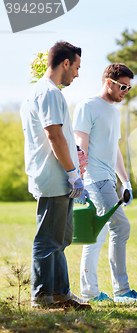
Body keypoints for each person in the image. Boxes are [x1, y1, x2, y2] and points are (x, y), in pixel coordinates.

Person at [20, 41, 90, 310]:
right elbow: (52, 134)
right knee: (48, 240)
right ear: (65, 63)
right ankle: (41, 297)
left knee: (61, 238)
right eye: (77, 67)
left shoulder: (40, 93)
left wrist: (74, 153)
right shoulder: (49, 93)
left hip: (58, 174)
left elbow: (56, 135)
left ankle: (61, 295)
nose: (77, 74)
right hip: (53, 177)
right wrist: (73, 173)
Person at [73, 63, 137, 303]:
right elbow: (80, 144)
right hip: (94, 180)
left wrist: (125, 180)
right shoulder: (87, 106)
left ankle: (90, 292)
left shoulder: (113, 111)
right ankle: (122, 290)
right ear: (109, 82)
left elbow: (113, 148)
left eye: (128, 88)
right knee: (121, 227)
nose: (126, 91)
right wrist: (80, 179)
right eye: (123, 86)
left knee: (97, 234)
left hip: (108, 181)